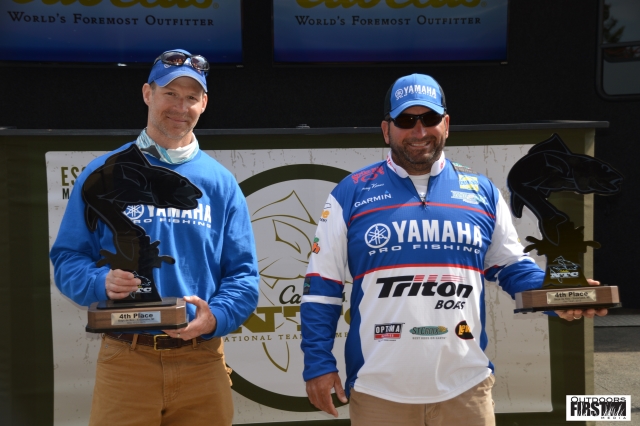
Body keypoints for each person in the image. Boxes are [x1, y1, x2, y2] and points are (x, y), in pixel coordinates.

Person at [299, 73, 607, 426]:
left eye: (429, 118)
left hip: (466, 390)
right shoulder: (350, 193)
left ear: (446, 124)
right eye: (406, 120)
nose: (419, 131)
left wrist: (559, 295)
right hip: (378, 392)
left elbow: (511, 267)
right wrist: (318, 364)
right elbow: (321, 286)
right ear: (386, 130)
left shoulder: (482, 191)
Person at [50, 49, 259, 426]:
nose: (181, 107)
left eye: (191, 97)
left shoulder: (221, 183)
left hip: (202, 361)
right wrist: (100, 282)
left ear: (204, 104)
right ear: (148, 94)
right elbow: (67, 259)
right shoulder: (101, 172)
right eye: (170, 93)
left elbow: (243, 276)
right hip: (128, 360)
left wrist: (215, 317)